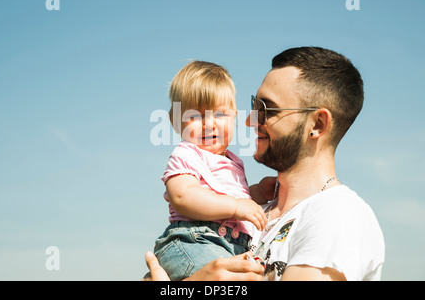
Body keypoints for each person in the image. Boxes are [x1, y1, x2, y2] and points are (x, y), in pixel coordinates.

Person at [145, 47, 385, 281]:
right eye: (254, 106)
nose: (250, 120)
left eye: (267, 109)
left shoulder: (337, 215)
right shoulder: (257, 214)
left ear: (318, 125)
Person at [152, 60, 275, 281]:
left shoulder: (234, 161)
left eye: (219, 114)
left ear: (234, 116)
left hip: (231, 244)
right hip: (194, 240)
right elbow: (183, 196)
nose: (209, 124)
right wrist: (237, 207)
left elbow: (231, 194)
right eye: (196, 116)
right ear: (175, 121)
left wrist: (256, 194)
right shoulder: (186, 154)